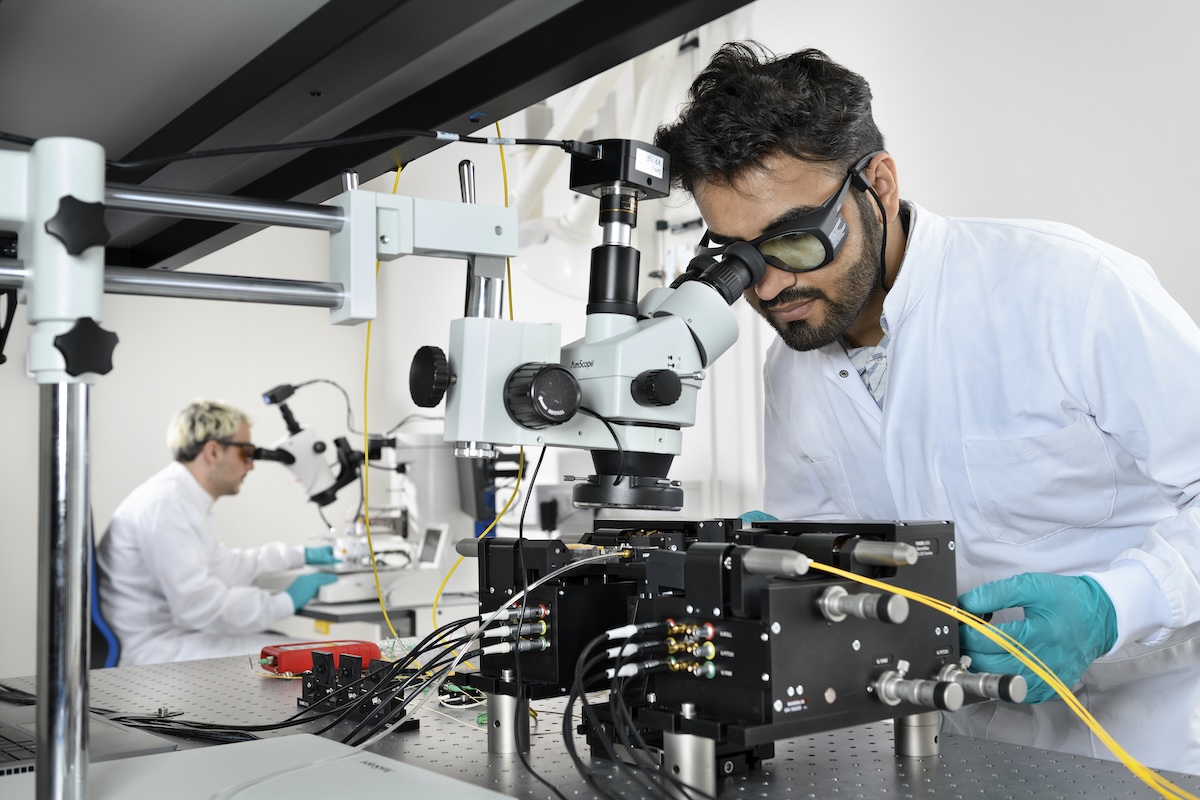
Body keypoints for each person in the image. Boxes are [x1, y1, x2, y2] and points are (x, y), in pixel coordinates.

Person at [654, 42, 1200, 775]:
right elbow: (828, 576)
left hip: (1158, 741)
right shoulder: (790, 367)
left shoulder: (1066, 290)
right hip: (962, 749)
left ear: (876, 183)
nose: (770, 287)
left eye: (794, 240)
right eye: (739, 257)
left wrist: (1113, 606)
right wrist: (772, 572)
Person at [96, 399, 339, 665]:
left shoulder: (180, 498)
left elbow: (223, 565)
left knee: (300, 649)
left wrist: (300, 555)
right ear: (213, 452)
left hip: (177, 638)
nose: (251, 465)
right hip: (158, 654)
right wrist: (283, 602)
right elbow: (200, 606)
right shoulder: (165, 505)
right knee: (323, 659)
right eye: (246, 453)